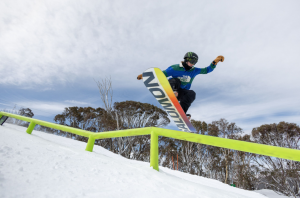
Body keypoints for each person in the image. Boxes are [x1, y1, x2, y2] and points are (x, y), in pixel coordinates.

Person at [137, 52, 224, 120]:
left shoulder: (194, 70)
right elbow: (161, 74)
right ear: (186, 60)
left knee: (191, 93)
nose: (193, 64)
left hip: (181, 93)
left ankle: (182, 113)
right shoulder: (175, 68)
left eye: (195, 62)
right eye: (192, 61)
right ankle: (172, 93)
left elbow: (207, 70)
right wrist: (145, 76)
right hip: (171, 87)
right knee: (176, 80)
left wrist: (214, 62)